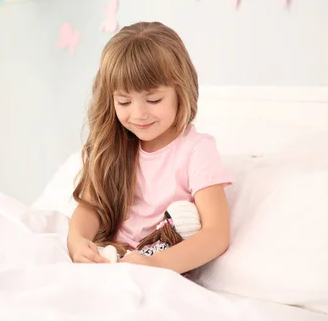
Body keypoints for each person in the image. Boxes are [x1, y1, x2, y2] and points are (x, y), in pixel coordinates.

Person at [67, 21, 233, 274]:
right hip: (110, 260)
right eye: (124, 102)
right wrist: (77, 240)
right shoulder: (116, 144)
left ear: (181, 90)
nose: (139, 114)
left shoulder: (196, 150)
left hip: (157, 267)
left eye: (153, 100)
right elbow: (91, 206)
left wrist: (155, 264)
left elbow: (216, 234)